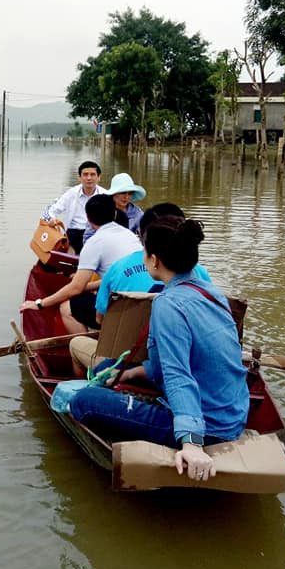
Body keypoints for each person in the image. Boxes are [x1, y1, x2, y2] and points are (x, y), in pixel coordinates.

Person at [69, 215, 249, 484]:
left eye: (144, 251)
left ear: (154, 260)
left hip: (208, 427)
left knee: (82, 401)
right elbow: (180, 361)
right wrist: (132, 374)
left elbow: (178, 374)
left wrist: (191, 443)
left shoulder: (169, 305)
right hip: (231, 413)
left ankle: (151, 441)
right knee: (110, 369)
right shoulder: (212, 293)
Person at [70, 202, 211, 376]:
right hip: (186, 364)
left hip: (129, 361)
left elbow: (100, 320)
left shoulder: (118, 268)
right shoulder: (202, 278)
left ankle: (86, 390)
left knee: (75, 344)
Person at [21, 194, 141, 334]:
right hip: (144, 304)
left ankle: (86, 349)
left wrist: (40, 303)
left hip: (122, 309)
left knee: (66, 307)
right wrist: (87, 287)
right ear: (115, 213)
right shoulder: (131, 236)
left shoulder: (95, 242)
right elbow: (114, 275)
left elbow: (75, 288)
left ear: (88, 219)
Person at [43, 161, 108, 253]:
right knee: (68, 256)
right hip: (73, 232)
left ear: (98, 177)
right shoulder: (71, 193)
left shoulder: (106, 195)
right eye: (85, 174)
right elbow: (51, 210)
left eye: (92, 174)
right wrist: (51, 219)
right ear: (79, 178)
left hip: (96, 232)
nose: (89, 178)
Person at [81, 172, 147, 244]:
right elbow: (87, 238)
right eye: (123, 193)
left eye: (130, 193)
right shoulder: (99, 209)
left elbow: (144, 239)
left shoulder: (138, 214)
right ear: (114, 193)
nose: (126, 197)